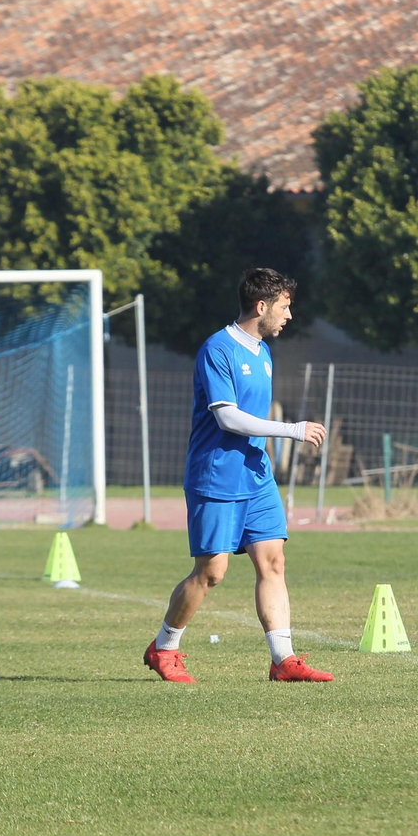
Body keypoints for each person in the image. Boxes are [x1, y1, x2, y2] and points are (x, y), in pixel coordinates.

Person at [143, 268, 334, 684]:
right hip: (217, 476)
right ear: (261, 306)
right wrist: (292, 430)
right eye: (284, 306)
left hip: (256, 475)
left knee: (273, 562)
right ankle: (164, 647)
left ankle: (283, 660)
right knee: (211, 572)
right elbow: (227, 417)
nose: (289, 315)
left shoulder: (263, 350)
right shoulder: (218, 349)